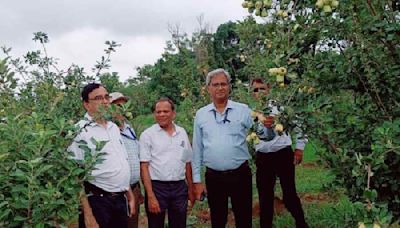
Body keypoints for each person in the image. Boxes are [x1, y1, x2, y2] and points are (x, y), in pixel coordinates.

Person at [68, 83, 136, 228]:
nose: (105, 101)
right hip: (97, 201)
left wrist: (129, 194)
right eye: (98, 98)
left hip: (119, 199)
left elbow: (121, 161)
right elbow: (75, 175)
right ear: (86, 104)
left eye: (106, 97)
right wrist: (88, 214)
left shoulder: (113, 128)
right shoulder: (79, 131)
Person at [192, 68, 253, 228]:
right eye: (216, 84)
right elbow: (197, 149)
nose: (220, 88)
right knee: (218, 220)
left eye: (223, 84)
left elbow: (261, 133)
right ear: (208, 88)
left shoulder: (243, 110)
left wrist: (267, 126)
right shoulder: (201, 114)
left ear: (229, 87)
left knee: (244, 218)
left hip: (240, 173)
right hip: (214, 177)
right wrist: (197, 180)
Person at [251, 78, 309, 228]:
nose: (259, 92)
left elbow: (299, 124)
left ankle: (301, 223)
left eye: (262, 88)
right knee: (265, 197)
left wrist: (299, 148)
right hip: (263, 157)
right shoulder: (252, 111)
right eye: (255, 90)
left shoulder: (279, 106)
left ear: (268, 89)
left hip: (282, 154)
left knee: (289, 194)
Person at [139, 97, 194, 228]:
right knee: (155, 224)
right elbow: (144, 167)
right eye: (158, 112)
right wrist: (151, 196)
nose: (162, 114)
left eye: (165, 111)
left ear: (173, 113)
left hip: (179, 188)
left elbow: (187, 162)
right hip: (157, 188)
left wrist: (191, 188)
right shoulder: (147, 135)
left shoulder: (181, 133)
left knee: (179, 224)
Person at [110, 92, 144, 228]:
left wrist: (138, 188)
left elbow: (135, 157)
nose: (122, 109)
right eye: (117, 106)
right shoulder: (107, 131)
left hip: (133, 187)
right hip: (117, 190)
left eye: (124, 106)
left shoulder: (129, 128)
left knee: (132, 223)